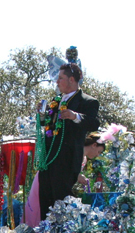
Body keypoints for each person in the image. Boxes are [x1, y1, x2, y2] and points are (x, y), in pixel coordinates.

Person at [38, 63, 100, 219]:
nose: (57, 82)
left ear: (72, 79)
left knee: (62, 198)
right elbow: (47, 126)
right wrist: (42, 116)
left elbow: (93, 123)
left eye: (60, 78)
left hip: (67, 158)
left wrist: (75, 116)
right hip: (48, 158)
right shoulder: (55, 101)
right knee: (45, 198)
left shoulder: (88, 101)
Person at [25, 132, 105, 227]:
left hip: (62, 184)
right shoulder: (75, 151)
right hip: (50, 179)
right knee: (39, 208)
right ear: (94, 145)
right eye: (99, 151)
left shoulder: (83, 158)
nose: (97, 155)